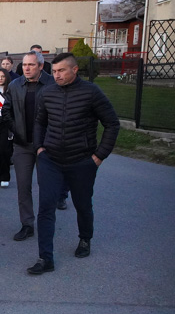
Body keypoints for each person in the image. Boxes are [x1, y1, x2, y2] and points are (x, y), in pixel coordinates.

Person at [27, 53, 119, 275]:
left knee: (82, 204)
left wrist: (99, 157)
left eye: (61, 71)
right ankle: (45, 258)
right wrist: (39, 148)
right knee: (46, 206)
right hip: (51, 160)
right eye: (54, 71)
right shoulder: (48, 93)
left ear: (75, 70)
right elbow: (40, 122)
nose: (56, 75)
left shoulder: (91, 92)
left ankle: (85, 239)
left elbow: (112, 124)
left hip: (82, 161)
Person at [2, 51, 54, 242]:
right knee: (23, 187)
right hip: (22, 144)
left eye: (31, 65)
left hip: (46, 145)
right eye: (24, 65)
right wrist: (15, 130)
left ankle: (46, 222)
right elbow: (6, 111)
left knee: (46, 186)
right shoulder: (15, 85)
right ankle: (27, 224)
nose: (26, 68)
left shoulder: (51, 84)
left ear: (41, 66)